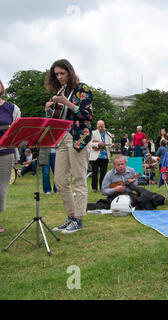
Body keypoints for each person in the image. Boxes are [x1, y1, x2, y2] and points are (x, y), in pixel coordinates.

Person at [45, 59, 93, 235]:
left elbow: (87, 114)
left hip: (77, 137)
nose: (59, 77)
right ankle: (71, 216)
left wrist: (66, 102)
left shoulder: (82, 89)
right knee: (59, 180)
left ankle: (78, 219)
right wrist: (48, 109)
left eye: (62, 73)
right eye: (56, 74)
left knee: (79, 179)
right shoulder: (61, 91)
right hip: (61, 138)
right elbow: (56, 118)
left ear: (69, 72)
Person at [0, 79, 21, 233]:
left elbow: (18, 133)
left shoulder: (12, 108)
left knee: (1, 189)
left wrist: (17, 153)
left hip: (5, 153)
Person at [89, 120, 114, 192]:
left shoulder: (108, 134)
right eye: (98, 126)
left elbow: (109, 145)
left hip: (105, 156)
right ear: (97, 126)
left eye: (101, 126)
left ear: (104, 126)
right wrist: (98, 144)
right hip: (95, 155)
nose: (100, 128)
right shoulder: (93, 133)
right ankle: (94, 188)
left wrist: (111, 146)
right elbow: (90, 143)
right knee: (94, 172)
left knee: (103, 173)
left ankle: (102, 187)